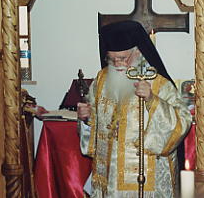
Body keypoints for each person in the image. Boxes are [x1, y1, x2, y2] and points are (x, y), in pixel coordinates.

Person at [77, 20, 192, 197]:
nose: (117, 64)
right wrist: (86, 118)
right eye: (111, 59)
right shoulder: (101, 81)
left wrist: (152, 100)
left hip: (144, 178)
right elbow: (97, 125)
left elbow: (182, 122)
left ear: (138, 52)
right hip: (108, 177)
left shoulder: (158, 83)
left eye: (123, 59)